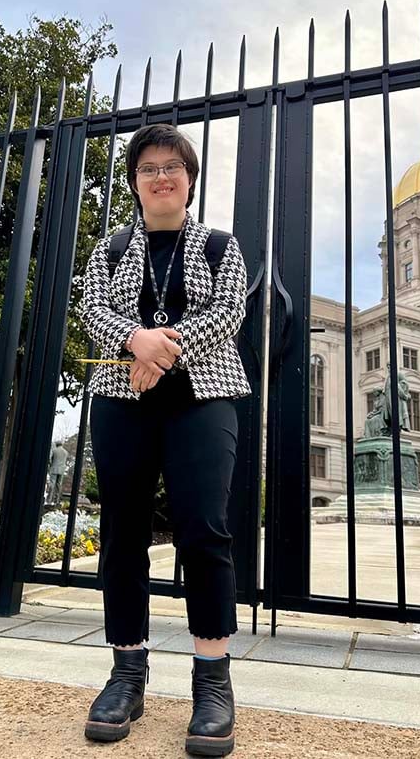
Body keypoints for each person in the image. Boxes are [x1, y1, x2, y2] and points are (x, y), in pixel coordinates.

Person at [78, 123, 252, 756]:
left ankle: (212, 681)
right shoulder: (111, 246)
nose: (160, 176)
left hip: (204, 400)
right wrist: (135, 342)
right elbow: (92, 309)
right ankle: (127, 671)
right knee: (123, 531)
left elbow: (229, 312)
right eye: (148, 167)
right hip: (123, 401)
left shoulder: (220, 244)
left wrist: (163, 353)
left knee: (205, 530)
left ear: (189, 179)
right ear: (134, 181)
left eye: (171, 167)